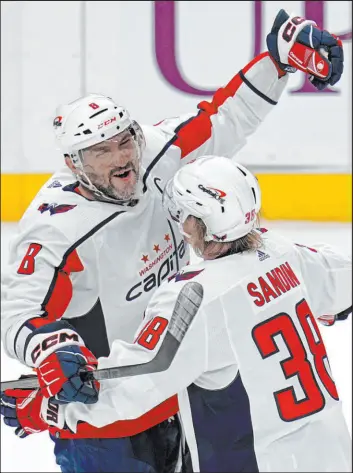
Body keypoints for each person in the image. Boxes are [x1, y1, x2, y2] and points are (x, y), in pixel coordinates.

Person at [0, 9, 345, 473]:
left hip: (176, 383)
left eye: (125, 141)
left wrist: (276, 64)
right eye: (102, 151)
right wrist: (50, 349)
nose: (123, 158)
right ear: (73, 162)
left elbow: (223, 118)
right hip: (107, 411)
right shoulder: (54, 229)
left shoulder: (159, 155)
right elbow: (18, 312)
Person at [45, 155, 352, 472]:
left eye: (182, 213)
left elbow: (133, 388)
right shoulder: (282, 253)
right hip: (333, 457)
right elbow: (340, 277)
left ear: (197, 222)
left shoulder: (194, 297)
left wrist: (52, 408)